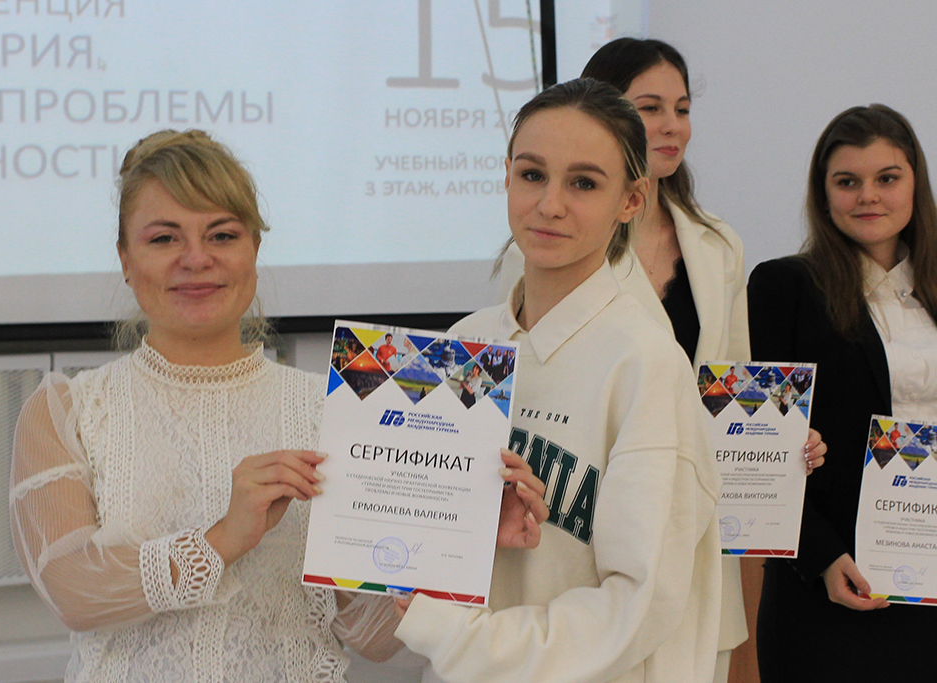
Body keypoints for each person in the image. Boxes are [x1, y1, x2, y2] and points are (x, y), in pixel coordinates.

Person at [9, 129, 548, 682]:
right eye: (164, 239)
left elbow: (372, 638)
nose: (196, 259)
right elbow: (73, 592)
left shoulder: (338, 405)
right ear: (126, 258)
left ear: (254, 249)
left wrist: (462, 531)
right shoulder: (69, 410)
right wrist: (224, 538)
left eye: (221, 235)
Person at [498, 38, 826, 682]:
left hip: (685, 520)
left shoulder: (717, 243)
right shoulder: (542, 246)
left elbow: (735, 381)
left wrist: (776, 434)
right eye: (651, 108)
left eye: (682, 108)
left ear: (629, 195)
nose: (672, 125)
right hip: (570, 539)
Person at [393, 77, 723, 683]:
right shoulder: (466, 343)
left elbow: (638, 603)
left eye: (584, 183)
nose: (549, 204)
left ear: (631, 200)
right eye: (532, 174)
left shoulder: (645, 362)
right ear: (507, 177)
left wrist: (468, 639)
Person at [748, 104, 937, 682]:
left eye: (887, 178)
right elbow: (764, 446)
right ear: (823, 193)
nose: (868, 196)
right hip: (833, 581)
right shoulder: (784, 286)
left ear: (915, 184)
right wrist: (822, 557)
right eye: (847, 181)